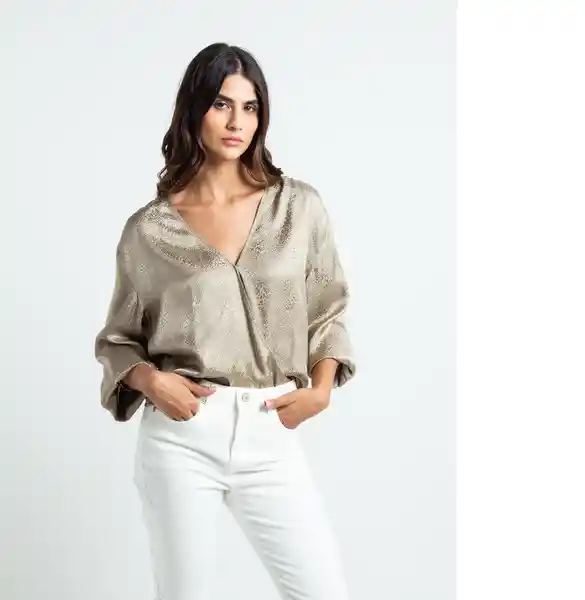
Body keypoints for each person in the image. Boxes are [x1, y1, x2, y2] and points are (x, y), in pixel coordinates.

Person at [94, 42, 356, 600]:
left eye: (250, 106)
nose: (237, 122)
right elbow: (118, 339)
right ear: (194, 110)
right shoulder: (150, 229)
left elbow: (327, 307)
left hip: (271, 429)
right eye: (221, 104)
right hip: (183, 436)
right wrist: (150, 380)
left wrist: (321, 389)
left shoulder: (297, 207)